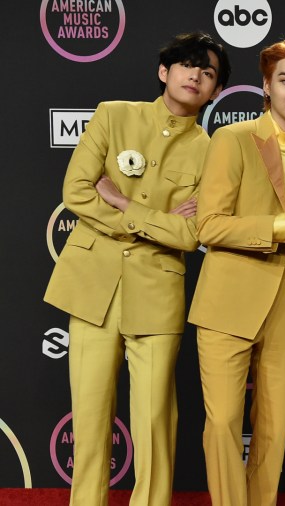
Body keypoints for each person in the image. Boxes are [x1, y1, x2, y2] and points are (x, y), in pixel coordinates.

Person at [44, 32, 229, 505]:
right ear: (164, 72)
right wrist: (159, 222)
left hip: (158, 294)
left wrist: (123, 202)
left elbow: (192, 235)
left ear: (214, 91)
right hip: (91, 289)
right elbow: (78, 192)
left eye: (207, 73)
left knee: (153, 423)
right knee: (88, 419)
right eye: (187, 65)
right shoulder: (113, 114)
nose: (196, 75)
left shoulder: (213, 150)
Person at [187, 36, 285, 506]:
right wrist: (279, 225)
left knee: (274, 426)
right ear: (266, 86)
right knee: (225, 421)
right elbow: (207, 225)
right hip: (230, 295)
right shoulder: (232, 139)